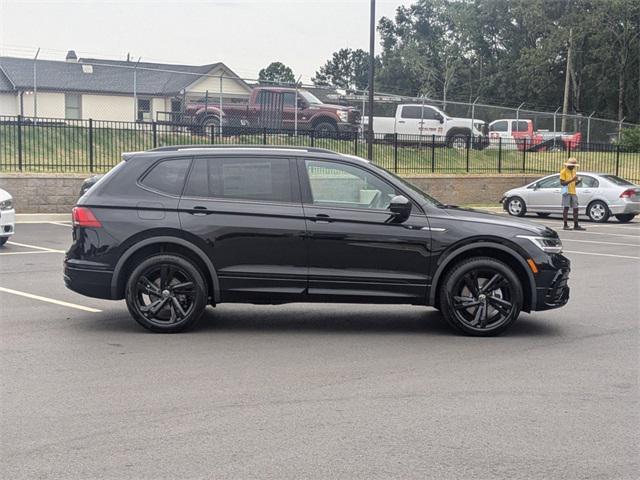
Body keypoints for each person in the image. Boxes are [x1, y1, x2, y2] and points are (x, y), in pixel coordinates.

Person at [559, 157, 586, 231]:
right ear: (569, 165)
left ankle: (576, 225)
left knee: (576, 208)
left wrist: (578, 181)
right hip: (566, 191)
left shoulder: (574, 171)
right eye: (573, 165)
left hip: (573, 191)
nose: (574, 166)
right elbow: (562, 183)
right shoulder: (563, 171)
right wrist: (572, 180)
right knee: (566, 208)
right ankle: (565, 225)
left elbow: (573, 183)